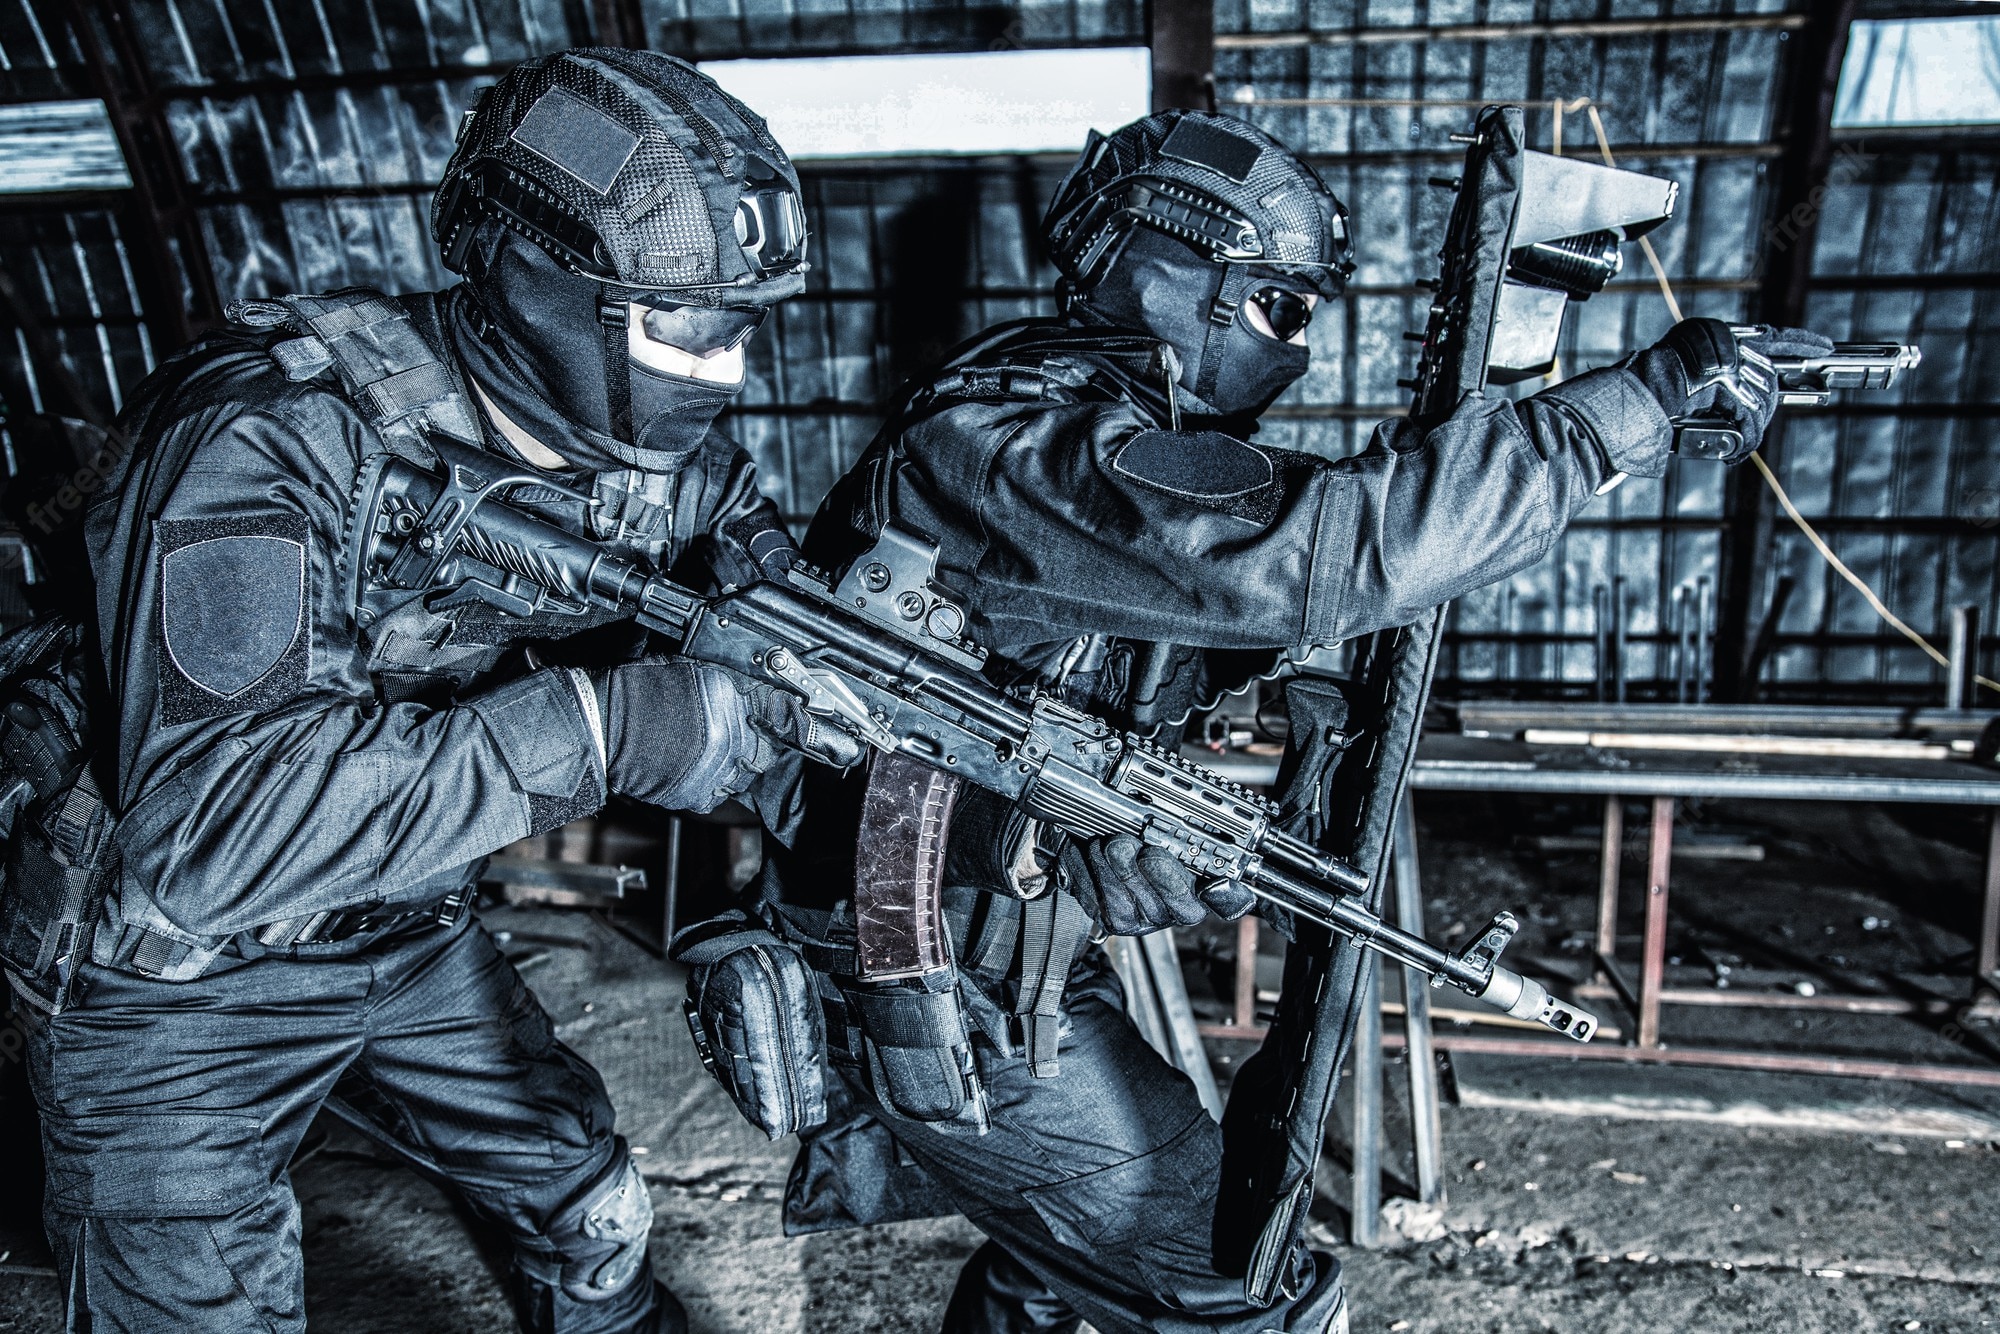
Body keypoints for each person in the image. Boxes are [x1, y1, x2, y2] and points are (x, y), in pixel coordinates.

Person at [765, 109, 1825, 1334]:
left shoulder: (1108, 430)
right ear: (1178, 279)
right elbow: (1320, 555)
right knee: (1243, 1287)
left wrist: (1132, 840)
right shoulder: (1014, 437)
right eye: (1278, 308)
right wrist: (1612, 417)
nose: (1297, 351)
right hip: (920, 973)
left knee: (1056, 1274)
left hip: (997, 951)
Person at [11, 49, 812, 1333]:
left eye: (741, 330)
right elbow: (208, 838)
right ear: (547, 288)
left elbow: (784, 641)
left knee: (593, 1210)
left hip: (401, 924)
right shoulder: (271, 437)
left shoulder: (661, 471)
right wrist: (610, 728)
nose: (721, 378)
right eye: (684, 328)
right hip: (181, 975)